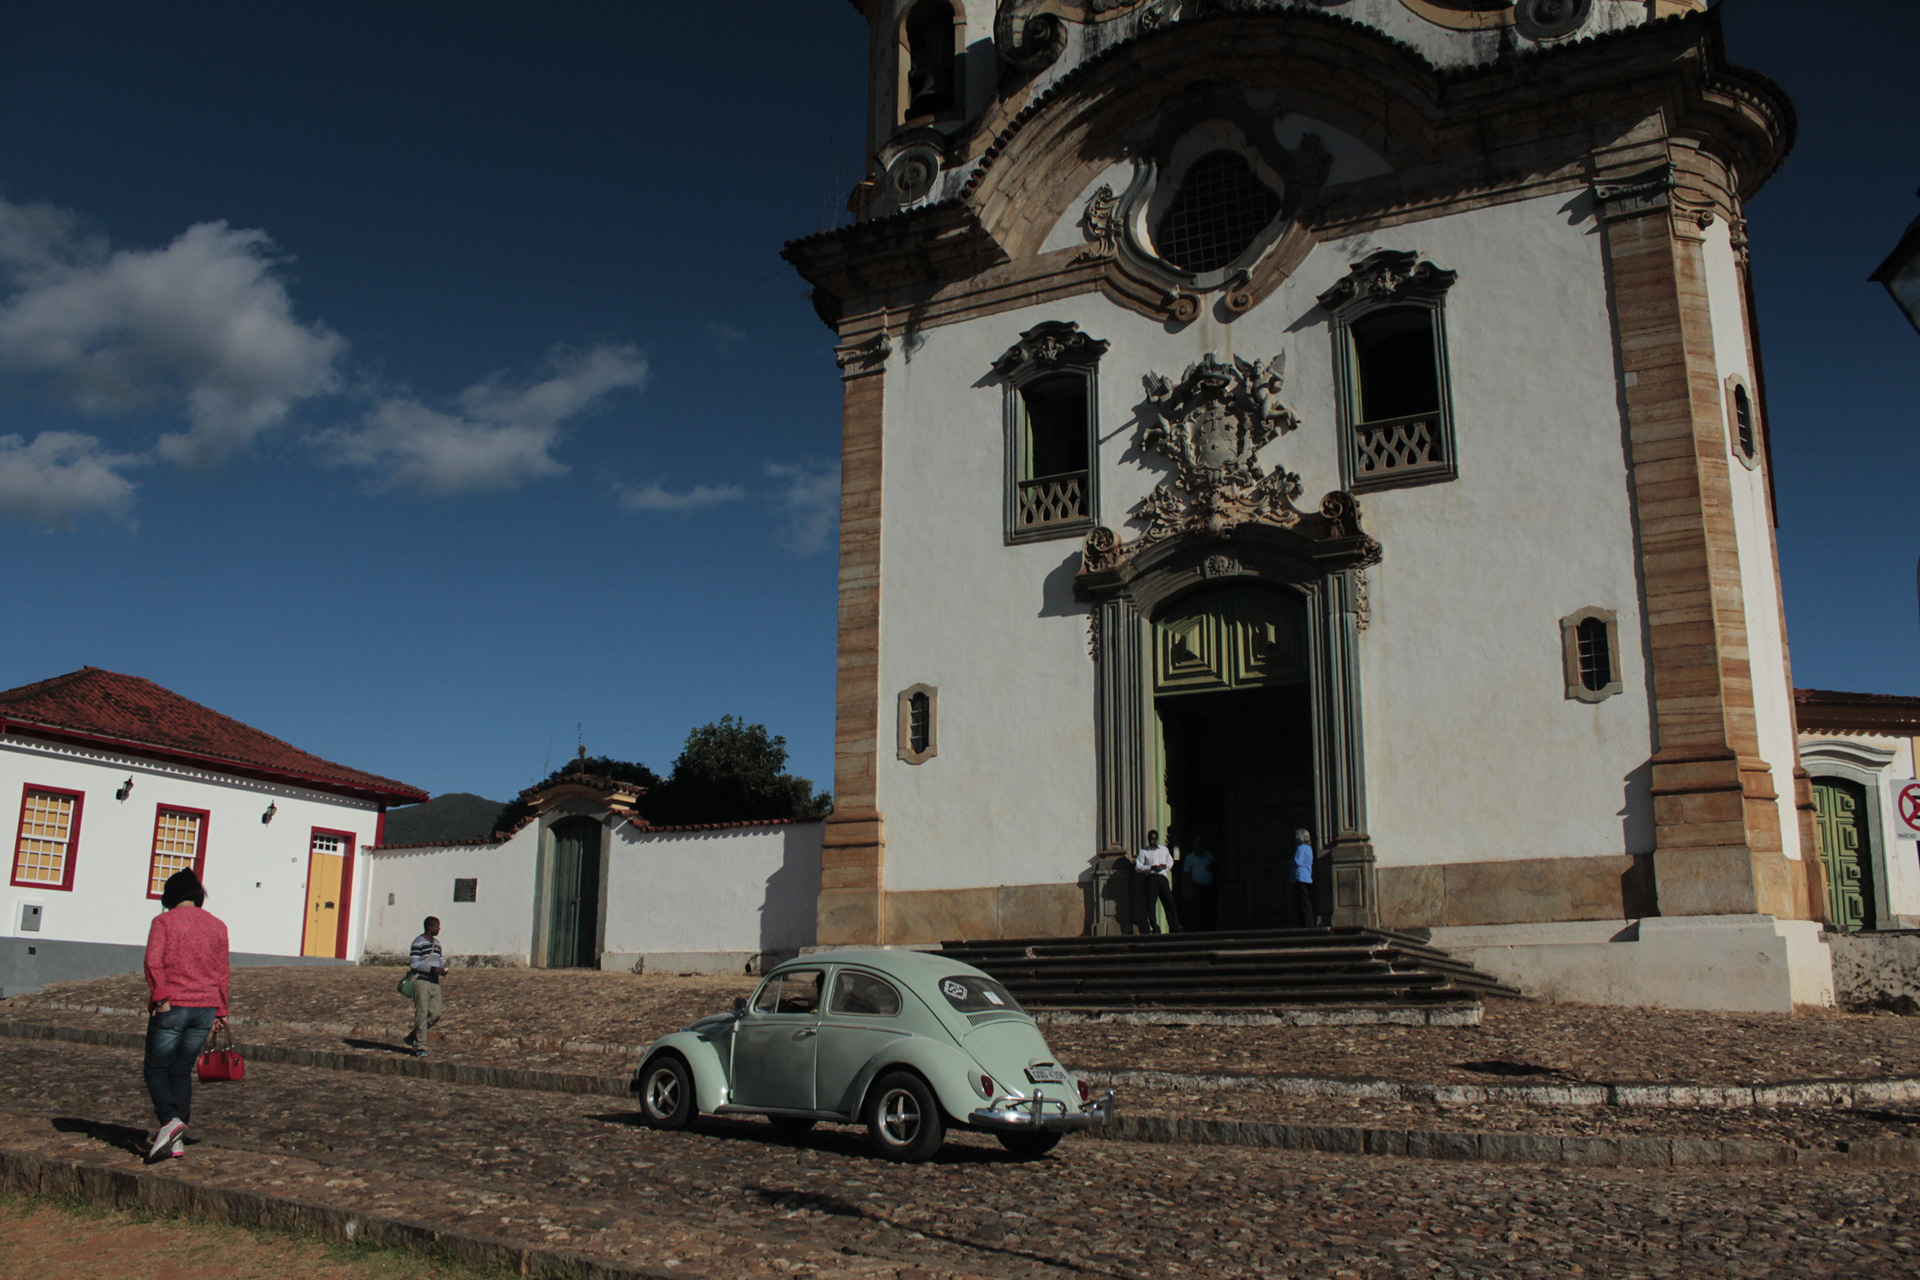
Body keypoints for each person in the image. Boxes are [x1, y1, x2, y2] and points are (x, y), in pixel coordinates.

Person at [142, 868, 229, 1162]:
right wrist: (221, 1009)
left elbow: (153, 962)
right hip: (205, 1009)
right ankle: (176, 1141)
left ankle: (169, 1120)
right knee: (180, 1070)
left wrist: (160, 997)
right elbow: (222, 971)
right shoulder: (217, 925)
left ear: (170, 895)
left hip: (173, 1005)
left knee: (156, 1068)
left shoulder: (164, 922)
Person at [405, 916, 448, 1057]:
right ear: (429, 927)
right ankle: (420, 1045)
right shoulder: (418, 942)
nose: (438, 929)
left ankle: (413, 1036)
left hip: (434, 982)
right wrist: (433, 969)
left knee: (436, 1013)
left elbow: (439, 960)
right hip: (421, 982)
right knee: (422, 1013)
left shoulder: (437, 944)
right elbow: (414, 963)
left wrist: (442, 970)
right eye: (436, 926)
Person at [1133, 829, 1181, 934]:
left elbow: (1170, 861)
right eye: (1150, 840)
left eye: (1154, 840)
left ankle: (1175, 927)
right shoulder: (1144, 852)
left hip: (1162, 878)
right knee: (1151, 904)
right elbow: (1138, 867)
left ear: (1157, 839)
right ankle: (1155, 927)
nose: (1152, 842)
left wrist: (1165, 866)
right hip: (1151, 878)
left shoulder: (1164, 850)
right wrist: (1150, 868)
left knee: (1169, 902)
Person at [1181, 837, 1216, 933]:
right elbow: (1186, 873)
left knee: (1209, 908)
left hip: (1208, 886)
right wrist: (1190, 887)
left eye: (1200, 845)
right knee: (1198, 908)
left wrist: (1212, 867)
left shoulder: (1208, 855)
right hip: (1197, 886)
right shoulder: (1190, 858)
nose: (1199, 847)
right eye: (1197, 845)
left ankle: (1209, 928)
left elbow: (1215, 867)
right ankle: (1198, 929)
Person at [1292, 828, 1317, 929]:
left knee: (1302, 902)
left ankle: (1306, 924)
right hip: (1307, 877)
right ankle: (1309, 923)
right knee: (1306, 901)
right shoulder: (1308, 848)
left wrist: (1290, 862)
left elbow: (1298, 861)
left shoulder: (1300, 848)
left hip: (1300, 877)